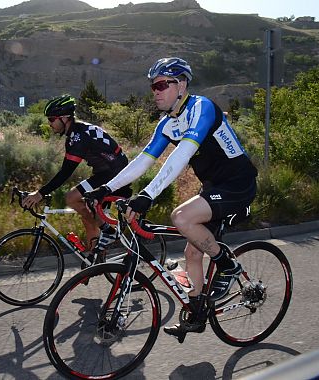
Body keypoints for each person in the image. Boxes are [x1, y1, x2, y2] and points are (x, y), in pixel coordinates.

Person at [84, 57, 258, 339]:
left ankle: (227, 264)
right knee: (191, 252)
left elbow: (181, 155)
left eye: (163, 84)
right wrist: (105, 188)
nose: (156, 91)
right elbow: (143, 160)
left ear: (182, 85)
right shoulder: (168, 123)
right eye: (153, 86)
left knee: (180, 217)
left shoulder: (202, 108)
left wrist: (147, 195)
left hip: (238, 183)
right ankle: (198, 313)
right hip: (214, 186)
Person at [22, 94, 132, 252]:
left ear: (65, 118)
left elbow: (66, 172)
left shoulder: (79, 136)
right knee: (88, 218)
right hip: (104, 173)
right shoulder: (76, 133)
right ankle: (96, 260)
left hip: (115, 173)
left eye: (52, 119)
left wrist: (40, 193)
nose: (49, 123)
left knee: (71, 198)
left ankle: (109, 231)